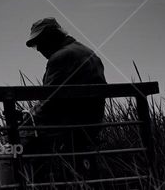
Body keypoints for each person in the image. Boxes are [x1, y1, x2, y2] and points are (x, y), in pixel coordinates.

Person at [20, 17, 106, 179]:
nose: (38, 49)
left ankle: (31, 185)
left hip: (67, 128)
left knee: (8, 148)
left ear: (52, 36)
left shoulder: (61, 57)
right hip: (91, 125)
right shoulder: (87, 52)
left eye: (39, 42)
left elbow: (50, 102)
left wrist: (28, 118)